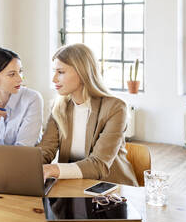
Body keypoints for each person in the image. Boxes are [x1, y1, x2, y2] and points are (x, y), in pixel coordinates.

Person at [39, 43, 138, 186]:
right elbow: (45, 151)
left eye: (60, 72)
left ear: (82, 72)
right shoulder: (59, 107)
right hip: (72, 187)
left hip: (110, 190)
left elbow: (99, 164)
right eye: (54, 71)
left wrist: (53, 169)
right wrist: (27, 167)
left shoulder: (115, 108)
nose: (54, 79)